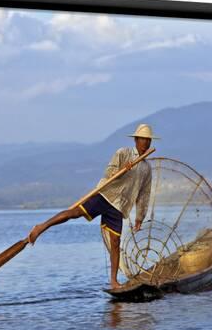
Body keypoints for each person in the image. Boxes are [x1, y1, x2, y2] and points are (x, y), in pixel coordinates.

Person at [28, 123, 159, 289]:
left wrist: (140, 217)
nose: (145, 143)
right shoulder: (123, 153)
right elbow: (109, 172)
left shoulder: (147, 169)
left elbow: (144, 194)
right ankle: (41, 227)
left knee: (115, 241)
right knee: (74, 213)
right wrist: (123, 170)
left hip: (119, 206)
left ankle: (113, 281)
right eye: (142, 139)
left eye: (148, 140)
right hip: (105, 195)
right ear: (136, 140)